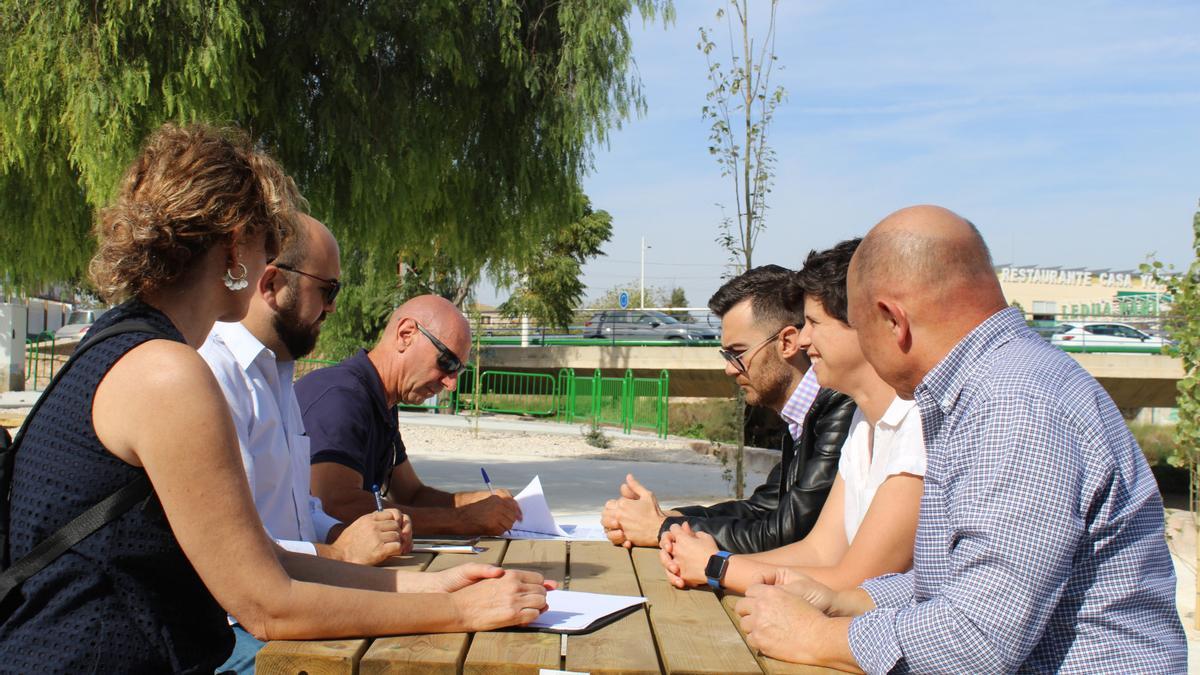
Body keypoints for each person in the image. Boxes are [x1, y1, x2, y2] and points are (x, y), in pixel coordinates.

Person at [0, 124, 550, 673]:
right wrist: (458, 612)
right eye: (269, 243)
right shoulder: (167, 374)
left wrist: (424, 587)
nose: (271, 261)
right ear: (236, 246)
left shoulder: (123, 343)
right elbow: (266, 605)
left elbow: (263, 559)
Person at [734, 206, 1187, 672]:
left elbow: (979, 638)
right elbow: (955, 579)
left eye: (863, 330)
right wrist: (849, 600)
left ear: (893, 320)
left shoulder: (1013, 403)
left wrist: (817, 635)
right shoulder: (984, 388)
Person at [200, 213, 415, 672]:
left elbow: (299, 510)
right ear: (273, 283)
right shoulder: (213, 375)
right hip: (234, 631)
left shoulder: (275, 373)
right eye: (328, 289)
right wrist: (340, 554)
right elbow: (237, 554)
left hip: (292, 602)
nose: (333, 307)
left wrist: (338, 532)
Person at [660, 239, 925, 593]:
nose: (803, 339)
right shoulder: (864, 422)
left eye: (814, 322)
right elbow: (819, 550)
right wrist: (698, 551)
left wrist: (716, 566)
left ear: (872, 323)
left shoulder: (916, 422)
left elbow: (857, 582)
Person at [601, 265, 857, 552]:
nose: (728, 369)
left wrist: (660, 529)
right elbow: (763, 509)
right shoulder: (804, 414)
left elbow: (788, 532)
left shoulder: (841, 405)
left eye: (737, 354)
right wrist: (667, 518)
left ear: (787, 342)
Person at [296, 296, 522, 535]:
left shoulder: (382, 401)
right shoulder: (341, 397)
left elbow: (412, 495)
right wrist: (461, 519)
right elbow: (336, 506)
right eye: (447, 362)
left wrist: (476, 502)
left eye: (459, 370)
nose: (451, 384)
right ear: (406, 334)